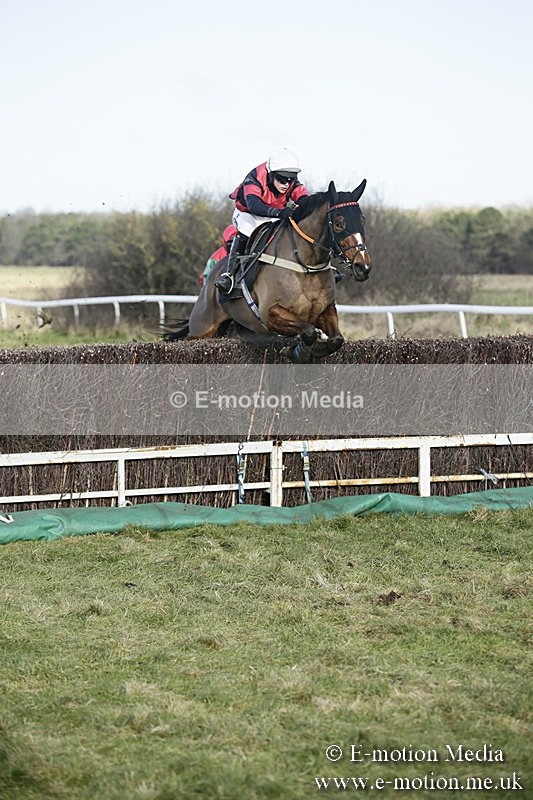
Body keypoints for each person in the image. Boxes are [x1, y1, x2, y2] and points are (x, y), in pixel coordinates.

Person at [215, 147, 309, 294]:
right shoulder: (254, 178)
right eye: (282, 179)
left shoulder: (288, 180)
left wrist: (306, 203)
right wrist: (279, 212)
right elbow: (254, 205)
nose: (286, 184)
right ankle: (230, 275)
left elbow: (300, 193)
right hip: (248, 213)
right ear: (271, 175)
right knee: (246, 231)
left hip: (273, 213)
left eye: (290, 179)